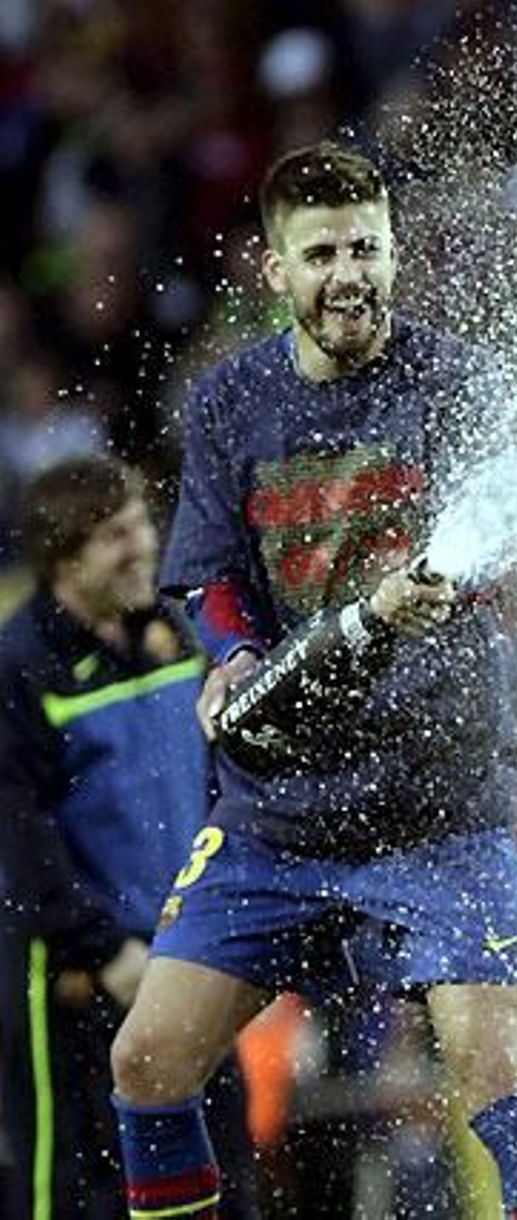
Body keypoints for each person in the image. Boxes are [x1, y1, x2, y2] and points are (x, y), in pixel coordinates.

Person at [106, 141, 517, 1219]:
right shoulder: (231, 402)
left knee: (499, 1078)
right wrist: (231, 657)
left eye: (366, 247)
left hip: (440, 804)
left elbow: (509, 531)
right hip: (280, 816)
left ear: (395, 254)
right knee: (145, 1061)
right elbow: (212, 574)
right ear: (275, 270)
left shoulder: (454, 381)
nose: (348, 273)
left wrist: (461, 581)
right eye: (321, 252)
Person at [0, 456, 258, 1218]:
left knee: (219, 1178)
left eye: (144, 521)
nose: (145, 544)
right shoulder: (21, 667)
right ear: (65, 558)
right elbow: (19, 840)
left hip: (187, 960)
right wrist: (105, 950)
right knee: (72, 1195)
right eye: (117, 535)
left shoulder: (176, 636)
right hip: (78, 981)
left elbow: (222, 786)